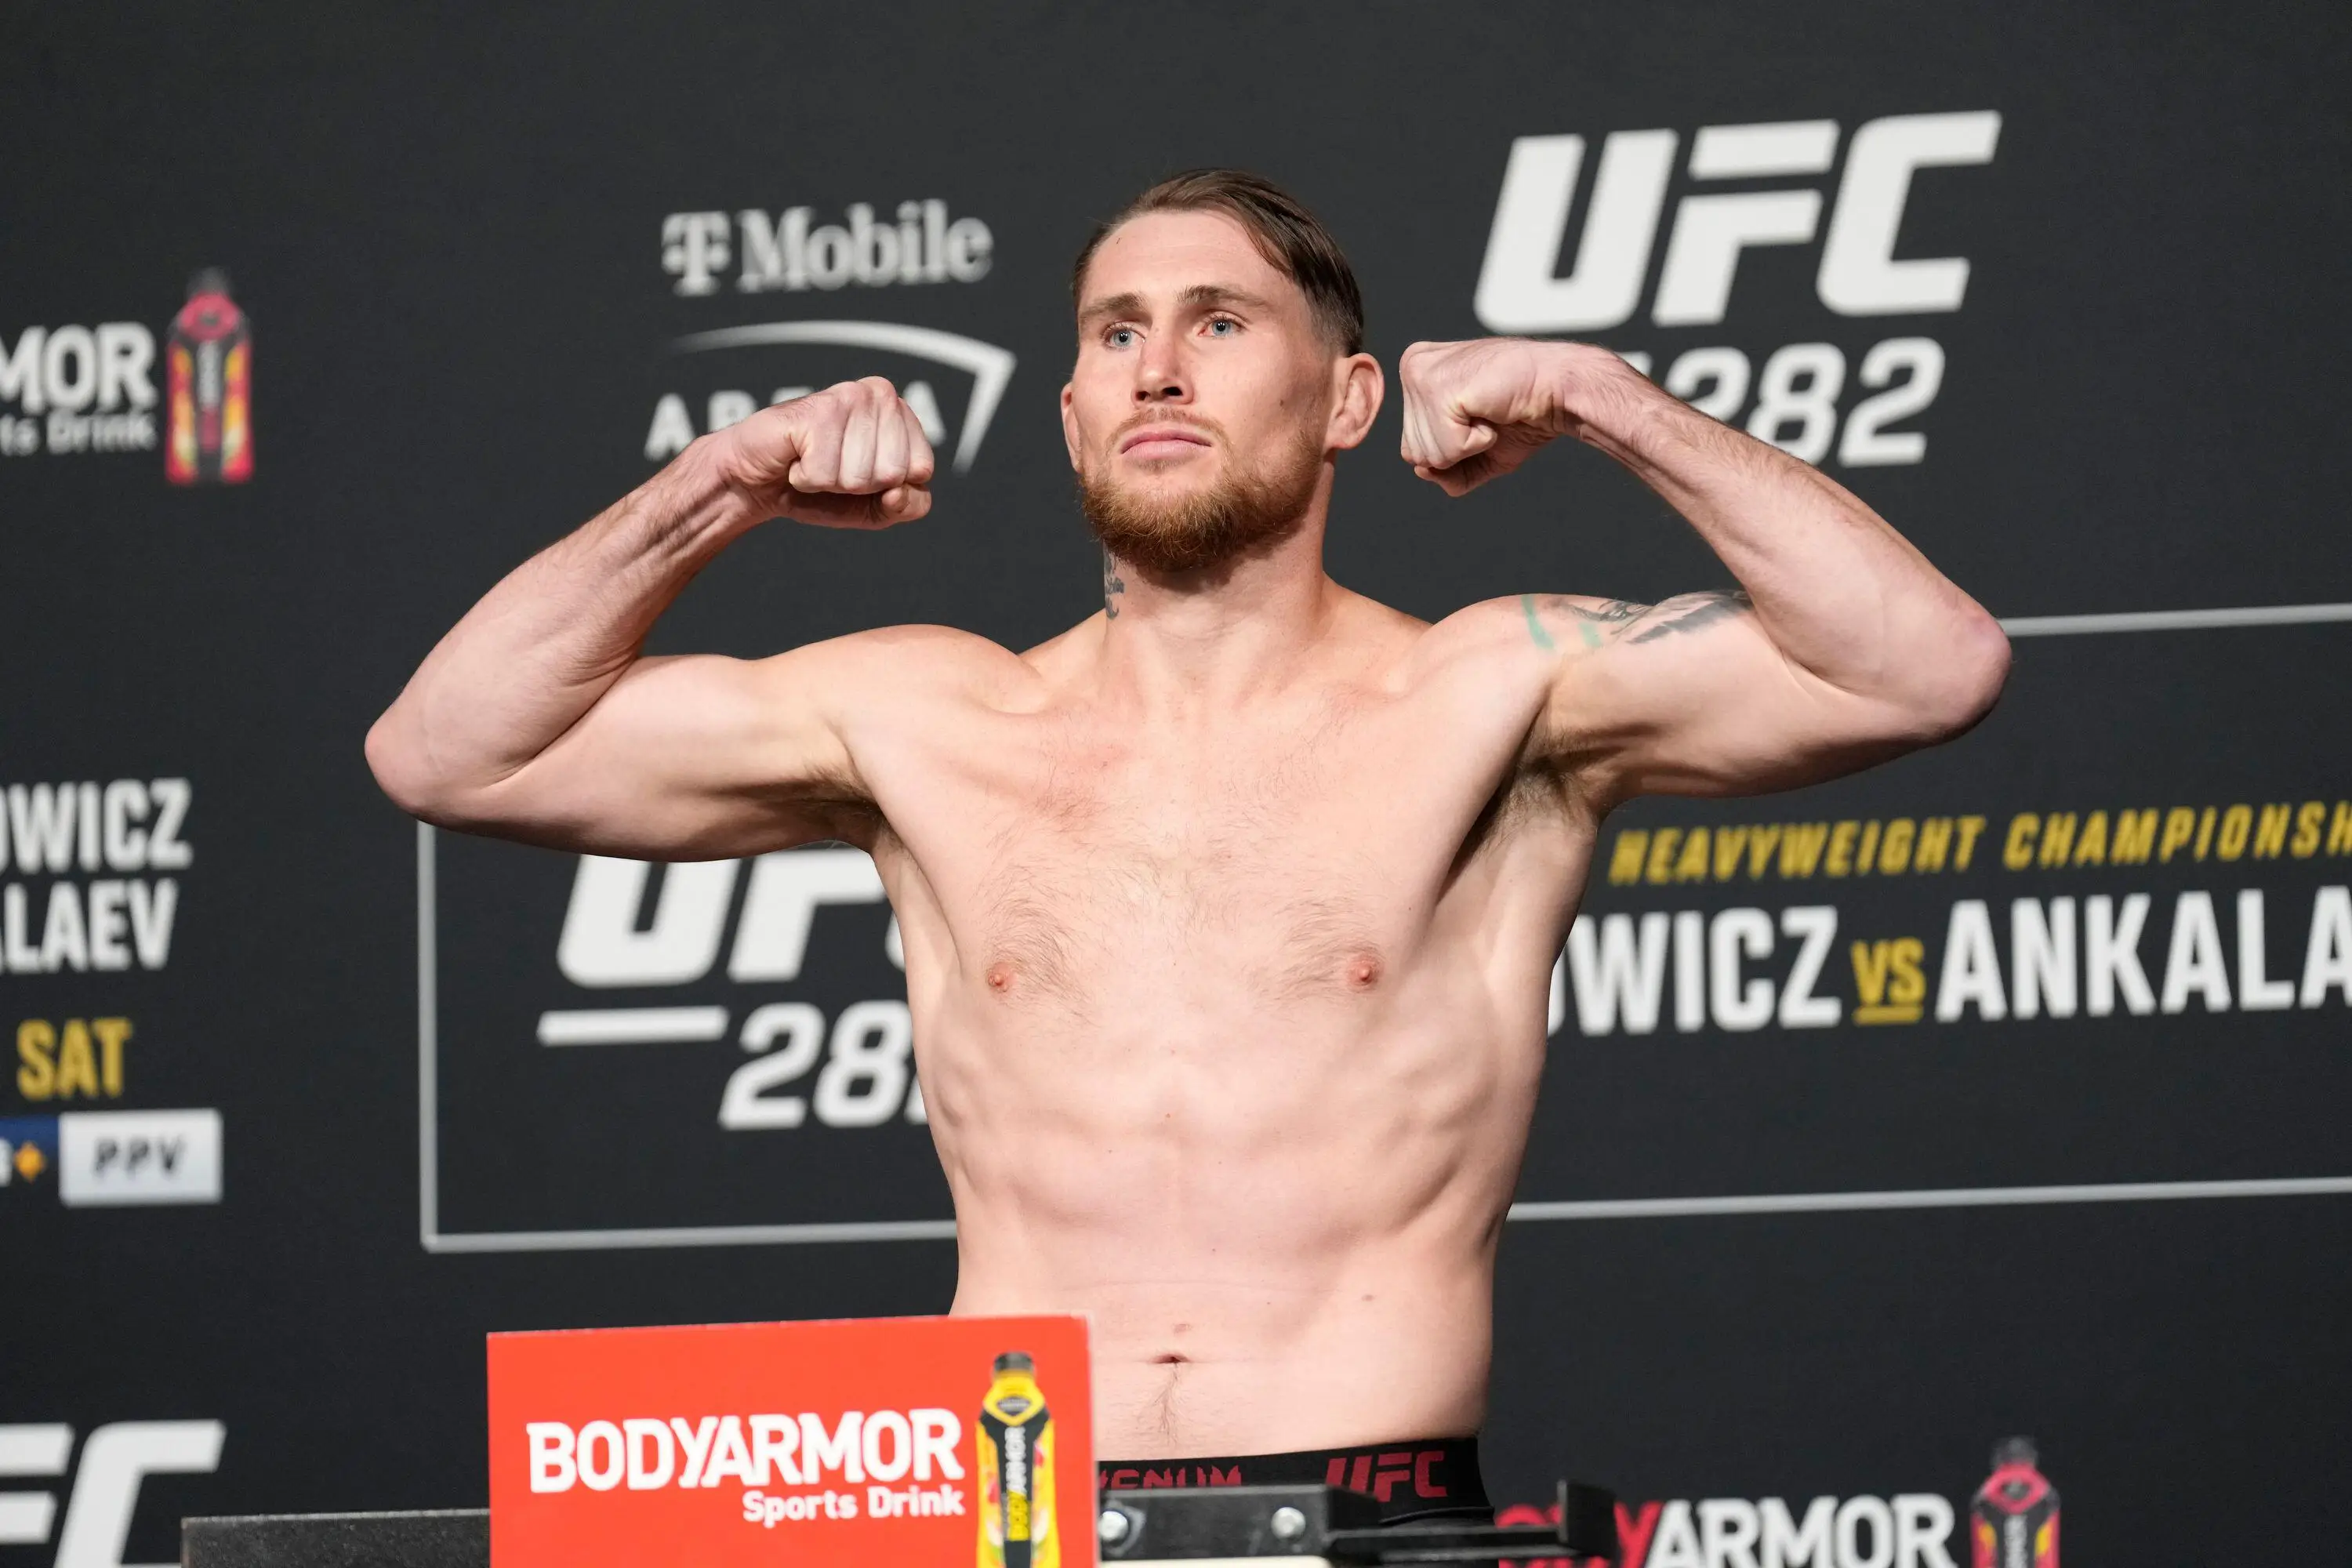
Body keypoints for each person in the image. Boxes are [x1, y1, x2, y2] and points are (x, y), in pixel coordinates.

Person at [365, 170, 2009, 1523]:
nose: (1159, 368)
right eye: (1117, 332)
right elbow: (443, 751)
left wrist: (1600, 399)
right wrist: (721, 483)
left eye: (1220, 323)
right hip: (1009, 1511)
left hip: (1364, 1506)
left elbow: (1925, 667)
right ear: (1073, 413)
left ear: (1349, 397)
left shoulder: (1497, 694)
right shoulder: (923, 719)